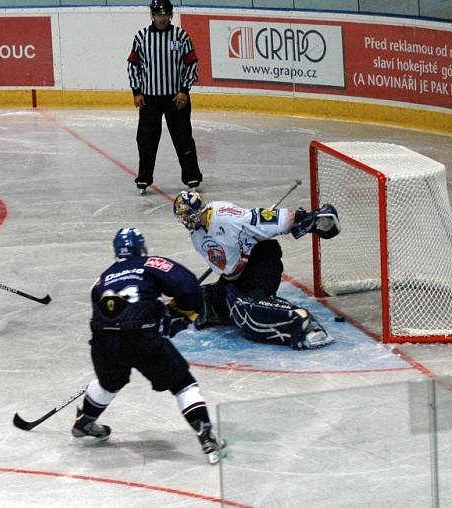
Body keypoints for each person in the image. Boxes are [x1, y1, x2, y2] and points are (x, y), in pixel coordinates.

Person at [73, 227, 225, 465]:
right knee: (182, 384)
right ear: (140, 247)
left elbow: (104, 311)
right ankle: (206, 436)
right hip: (141, 338)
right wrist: (179, 314)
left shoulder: (102, 278)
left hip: (103, 341)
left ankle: (84, 422)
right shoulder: (150, 262)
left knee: (109, 383)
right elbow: (189, 288)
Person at [172, 191, 341, 350]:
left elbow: (262, 218)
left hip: (261, 264)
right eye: (182, 217)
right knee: (208, 298)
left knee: (245, 309)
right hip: (238, 274)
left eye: (188, 215)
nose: (186, 221)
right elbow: (227, 269)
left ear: (200, 210)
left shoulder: (227, 218)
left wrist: (306, 219)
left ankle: (303, 323)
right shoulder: (197, 235)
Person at [127, 0, 201, 195]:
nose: (161, 18)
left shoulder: (181, 36)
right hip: (150, 99)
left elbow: (191, 64)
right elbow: (133, 65)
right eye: (158, 14)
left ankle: (191, 175)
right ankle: (144, 177)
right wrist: (137, 92)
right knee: (146, 139)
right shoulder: (142, 37)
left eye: (165, 14)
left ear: (170, 15)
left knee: (183, 137)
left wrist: (185, 90)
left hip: (176, 98)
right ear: (152, 15)